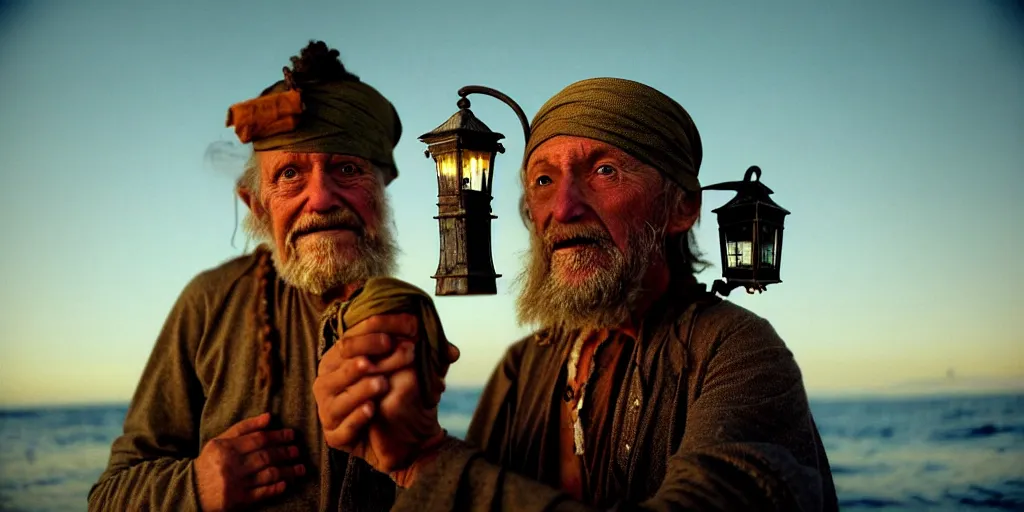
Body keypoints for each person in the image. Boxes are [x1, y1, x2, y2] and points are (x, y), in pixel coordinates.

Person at [316, 77, 840, 511]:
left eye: (604, 171)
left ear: (681, 207)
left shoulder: (738, 350)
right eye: (543, 180)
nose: (564, 208)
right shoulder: (524, 366)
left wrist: (431, 461)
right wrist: (385, 430)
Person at [87, 41, 448, 511]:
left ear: (381, 195)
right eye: (291, 174)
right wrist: (198, 486)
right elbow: (109, 497)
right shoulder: (212, 302)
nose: (321, 199)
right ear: (257, 206)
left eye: (347, 168)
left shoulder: (405, 312)